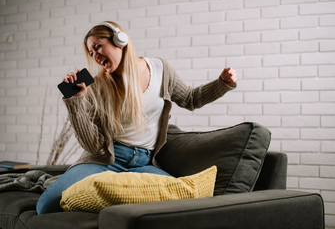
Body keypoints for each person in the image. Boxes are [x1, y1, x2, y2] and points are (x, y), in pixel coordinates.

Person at [36, 21, 237, 215]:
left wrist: (222, 84)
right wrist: (76, 102)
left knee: (183, 201)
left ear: (120, 41)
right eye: (91, 52)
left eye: (98, 47)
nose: (95, 55)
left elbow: (191, 99)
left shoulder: (160, 70)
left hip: (144, 163)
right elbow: (92, 145)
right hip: (106, 160)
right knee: (45, 206)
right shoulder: (96, 87)